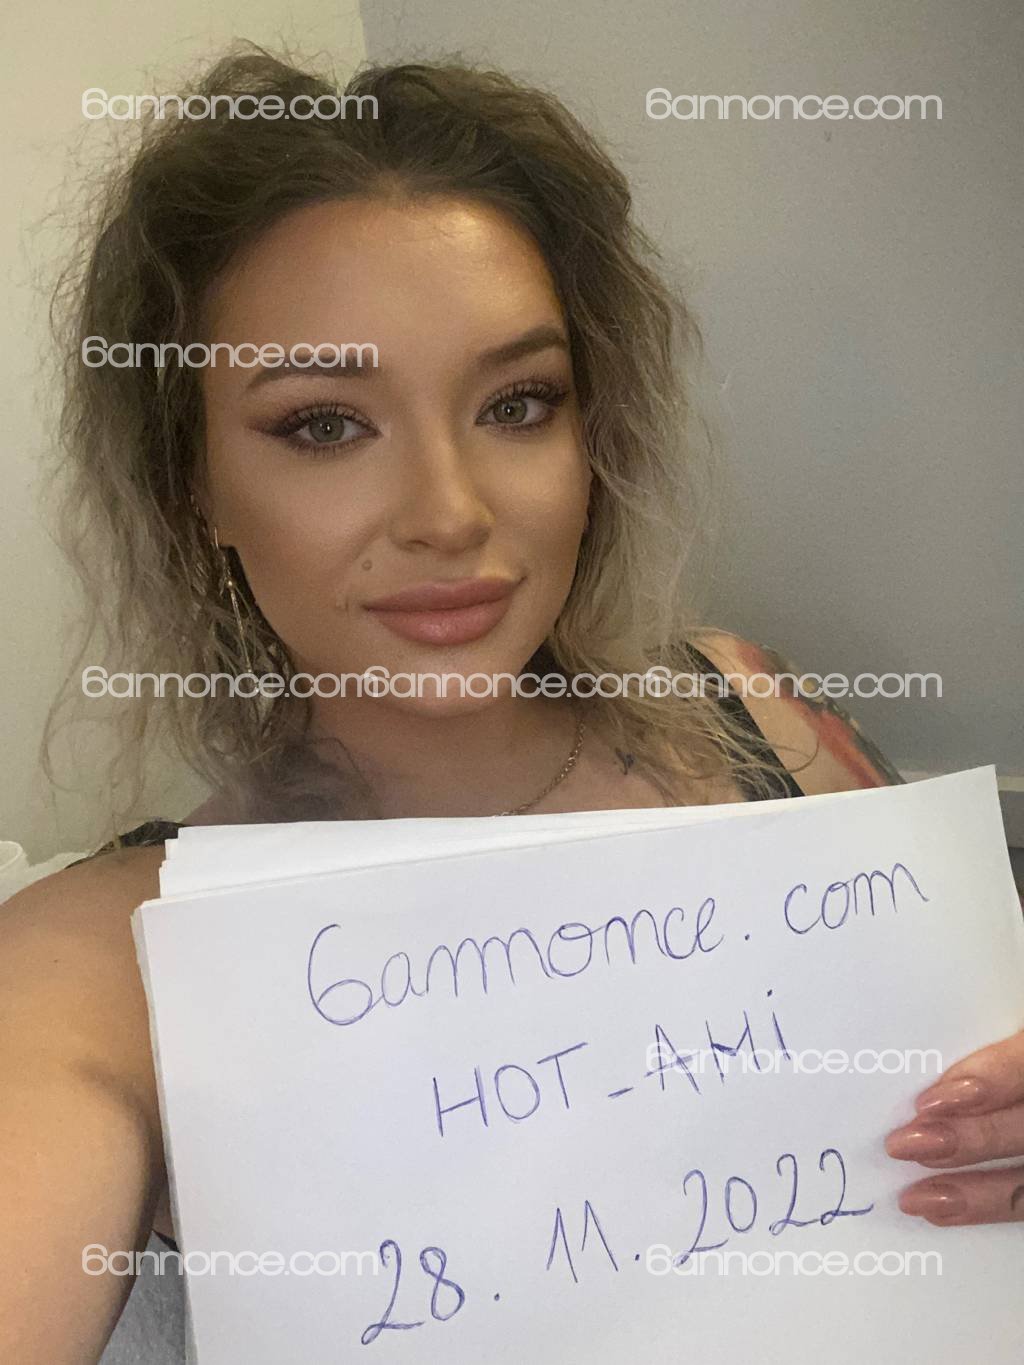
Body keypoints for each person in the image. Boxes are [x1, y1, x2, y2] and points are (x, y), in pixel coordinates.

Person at [3, 45, 1020, 1365]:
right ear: (191, 483)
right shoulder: (99, 960)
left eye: (517, 403)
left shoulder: (747, 710)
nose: (450, 513)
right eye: (323, 423)